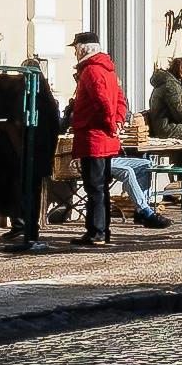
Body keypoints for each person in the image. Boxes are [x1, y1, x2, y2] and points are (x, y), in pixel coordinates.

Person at [66, 26, 130, 245]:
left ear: (84, 49)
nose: (75, 53)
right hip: (105, 137)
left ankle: (97, 232)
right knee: (100, 186)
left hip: (95, 137)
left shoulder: (92, 71)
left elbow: (102, 102)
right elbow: (121, 100)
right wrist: (119, 122)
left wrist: (112, 124)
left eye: (76, 49)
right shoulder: (108, 70)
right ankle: (102, 230)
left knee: (94, 187)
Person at [4, 48, 59, 251]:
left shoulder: (40, 97)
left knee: (31, 189)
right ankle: (21, 225)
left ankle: (29, 228)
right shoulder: (39, 95)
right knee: (19, 186)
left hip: (35, 149)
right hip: (27, 148)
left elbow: (52, 125)